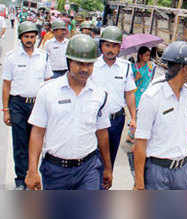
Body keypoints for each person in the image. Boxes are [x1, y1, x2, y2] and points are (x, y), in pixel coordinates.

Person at [25, 34, 113, 190]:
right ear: (69, 61)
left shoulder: (100, 94)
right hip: (55, 171)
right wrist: (32, 171)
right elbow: (37, 133)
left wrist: (107, 167)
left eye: (89, 64)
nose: (85, 69)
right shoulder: (48, 92)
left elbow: (102, 132)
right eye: (80, 63)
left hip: (89, 169)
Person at [134, 41, 187, 190]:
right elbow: (140, 143)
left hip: (183, 171)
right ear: (184, 68)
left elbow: (186, 130)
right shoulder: (152, 97)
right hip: (157, 172)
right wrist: (139, 183)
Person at [1, 22, 53, 190]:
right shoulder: (12, 57)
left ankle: (34, 174)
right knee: (20, 144)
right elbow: (6, 85)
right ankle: (21, 180)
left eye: (32, 36)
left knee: (37, 143)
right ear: (21, 38)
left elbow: (48, 82)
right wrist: (6, 109)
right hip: (17, 105)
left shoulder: (43, 56)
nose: (29, 40)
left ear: (36, 37)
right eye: (26, 37)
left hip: (37, 105)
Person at [91, 26, 137, 169]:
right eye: (107, 45)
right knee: (92, 157)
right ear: (101, 45)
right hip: (94, 119)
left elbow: (129, 93)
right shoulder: (92, 65)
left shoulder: (126, 67)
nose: (110, 49)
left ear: (119, 48)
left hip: (116, 120)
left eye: (114, 46)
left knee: (109, 158)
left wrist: (134, 118)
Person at [126, 46, 156, 143]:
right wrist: (136, 78)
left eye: (149, 55)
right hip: (136, 95)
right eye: (146, 55)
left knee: (143, 117)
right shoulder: (133, 67)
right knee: (136, 117)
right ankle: (132, 136)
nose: (148, 57)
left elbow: (151, 80)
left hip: (147, 95)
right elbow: (128, 84)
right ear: (140, 55)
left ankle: (132, 135)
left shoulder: (151, 67)